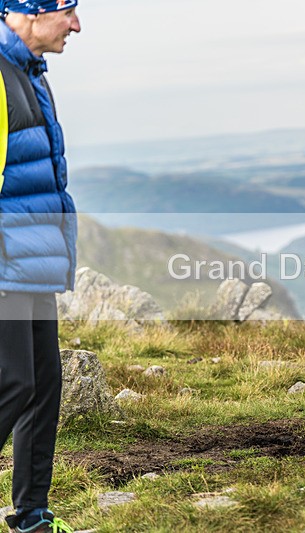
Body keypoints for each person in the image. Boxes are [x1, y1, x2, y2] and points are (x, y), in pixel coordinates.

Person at [0, 0, 80, 531]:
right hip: (3, 261)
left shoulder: (31, 75)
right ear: (27, 13)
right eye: (68, 11)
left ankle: (31, 516)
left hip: (31, 259)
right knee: (13, 383)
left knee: (43, 384)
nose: (76, 24)